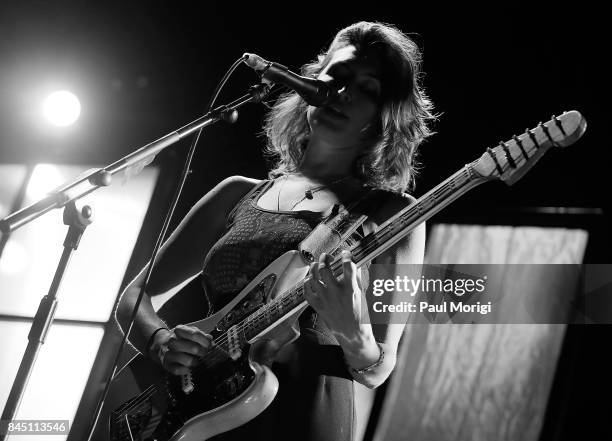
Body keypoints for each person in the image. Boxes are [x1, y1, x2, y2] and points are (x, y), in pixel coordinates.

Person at [115, 20, 434, 441]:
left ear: (385, 115)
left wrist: (355, 334)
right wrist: (160, 341)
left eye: (368, 89)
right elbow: (134, 297)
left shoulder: (390, 212)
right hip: (200, 410)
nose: (343, 94)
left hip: (301, 413)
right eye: (335, 78)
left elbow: (378, 368)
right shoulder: (236, 194)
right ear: (307, 85)